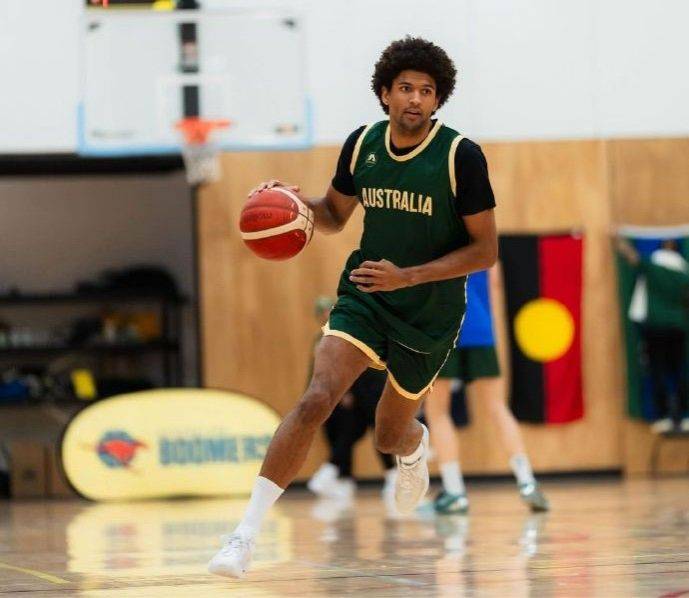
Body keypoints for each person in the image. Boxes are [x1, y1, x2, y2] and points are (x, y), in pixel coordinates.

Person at [208, 36, 497, 578]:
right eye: (405, 88)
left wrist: (408, 276)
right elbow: (336, 215)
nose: (415, 98)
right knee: (318, 397)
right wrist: (294, 207)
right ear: (385, 93)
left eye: (426, 91)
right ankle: (243, 538)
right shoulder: (362, 144)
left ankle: (414, 448)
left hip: (429, 309)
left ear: (438, 101)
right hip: (366, 291)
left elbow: (486, 250)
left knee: (388, 435)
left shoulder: (461, 156)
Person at [425, 266, 549, 514]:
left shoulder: (430, 233)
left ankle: (455, 491)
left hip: (442, 328)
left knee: (437, 411)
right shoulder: (481, 233)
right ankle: (527, 482)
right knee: (497, 406)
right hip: (480, 327)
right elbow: (495, 282)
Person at [307, 297, 397, 500]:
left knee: (375, 432)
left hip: (369, 390)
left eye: (329, 310)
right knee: (347, 434)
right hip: (345, 394)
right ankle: (340, 477)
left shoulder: (354, 331)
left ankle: (391, 476)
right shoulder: (324, 337)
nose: (326, 315)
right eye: (323, 312)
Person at [617, 237, 689, 432]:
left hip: (656, 328)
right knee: (679, 371)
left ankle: (664, 414)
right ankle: (683, 414)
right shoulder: (684, 273)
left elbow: (632, 257)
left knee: (658, 370)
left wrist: (616, 237)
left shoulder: (653, 266)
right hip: (677, 328)